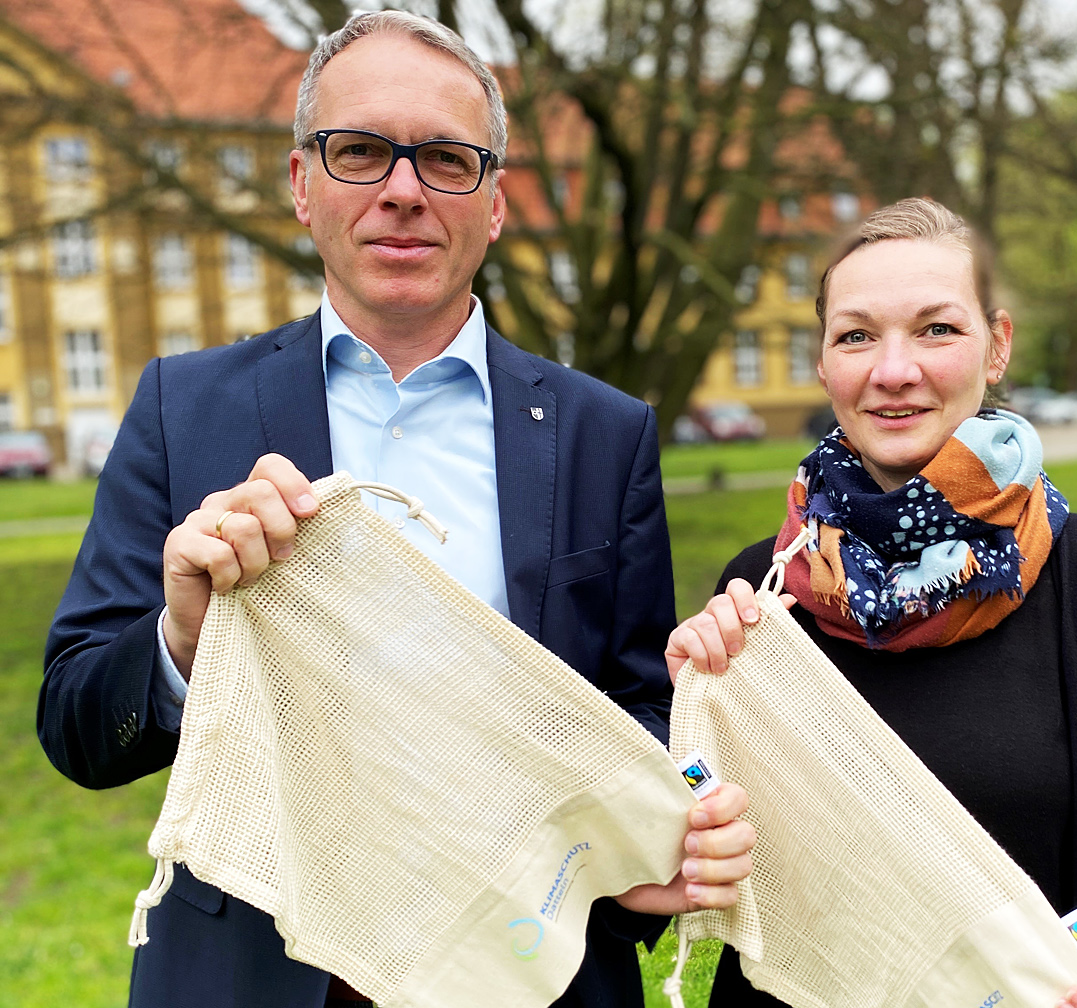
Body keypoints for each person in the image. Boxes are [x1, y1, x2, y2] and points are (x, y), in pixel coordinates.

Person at [38, 12, 754, 1008]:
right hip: (262, 971)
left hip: (529, 963)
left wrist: (644, 855)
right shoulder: (183, 408)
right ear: (302, 183)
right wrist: (183, 639)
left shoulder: (604, 432)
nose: (404, 192)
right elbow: (75, 727)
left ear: (496, 203)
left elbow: (633, 708)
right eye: (362, 152)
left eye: (446, 160)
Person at [666, 198, 1077, 1008]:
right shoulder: (765, 589)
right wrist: (690, 734)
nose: (894, 370)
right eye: (856, 335)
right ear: (824, 364)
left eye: (936, 330)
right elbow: (711, 856)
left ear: (997, 346)